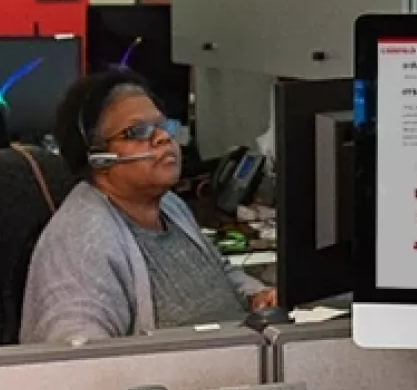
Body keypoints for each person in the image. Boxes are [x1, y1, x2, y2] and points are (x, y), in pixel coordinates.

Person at [20, 70, 274, 343]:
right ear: (97, 157)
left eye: (164, 127)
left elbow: (218, 271)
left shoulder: (169, 204)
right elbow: (79, 357)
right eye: (138, 132)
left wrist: (255, 295)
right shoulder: (81, 243)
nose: (164, 138)